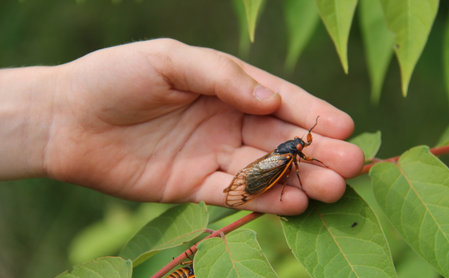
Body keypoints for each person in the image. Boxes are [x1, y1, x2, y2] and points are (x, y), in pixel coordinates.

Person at [0, 38, 363, 215]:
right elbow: (289, 171)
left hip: (265, 163)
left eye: (300, 146)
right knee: (286, 176)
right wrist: (53, 110)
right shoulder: (288, 160)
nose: (301, 146)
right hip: (267, 169)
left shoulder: (288, 151)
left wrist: (50, 113)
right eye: (300, 146)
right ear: (294, 149)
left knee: (278, 175)